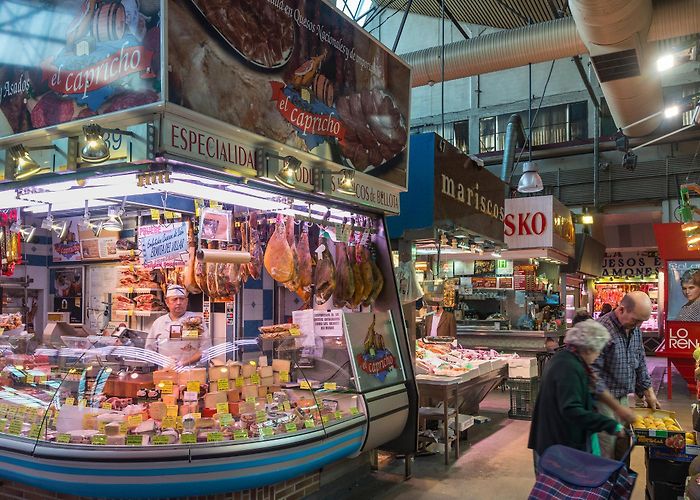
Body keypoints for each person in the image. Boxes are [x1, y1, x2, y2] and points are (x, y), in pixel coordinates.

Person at [528, 320, 627, 472]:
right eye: (598, 351)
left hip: (554, 442)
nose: (598, 355)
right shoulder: (568, 367)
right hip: (557, 447)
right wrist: (610, 425)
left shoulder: (566, 358)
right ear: (587, 349)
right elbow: (572, 410)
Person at [594, 291, 659, 460]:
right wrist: (615, 407)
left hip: (622, 398)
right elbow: (592, 376)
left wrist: (648, 392)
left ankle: (619, 483)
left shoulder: (634, 330)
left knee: (623, 446)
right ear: (622, 309)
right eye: (636, 320)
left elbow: (640, 362)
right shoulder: (601, 330)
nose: (638, 325)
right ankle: (604, 485)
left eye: (641, 322)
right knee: (606, 449)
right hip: (602, 401)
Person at [145, 285, 211, 367]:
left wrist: (185, 363)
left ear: (186, 301)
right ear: (167, 302)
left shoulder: (196, 321)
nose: (179, 303)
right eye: (174, 299)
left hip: (191, 373)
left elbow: (205, 349)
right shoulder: (158, 323)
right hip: (166, 374)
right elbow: (149, 351)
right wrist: (162, 360)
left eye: (182, 299)